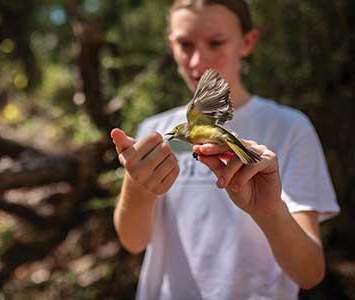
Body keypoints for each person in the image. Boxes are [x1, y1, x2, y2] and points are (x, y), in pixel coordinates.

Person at [110, 1, 340, 299]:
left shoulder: (290, 128)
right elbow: (133, 242)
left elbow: (310, 273)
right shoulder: (153, 131)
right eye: (185, 44)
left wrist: (270, 211)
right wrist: (138, 186)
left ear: (248, 42)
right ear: (171, 45)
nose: (197, 61)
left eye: (216, 42)